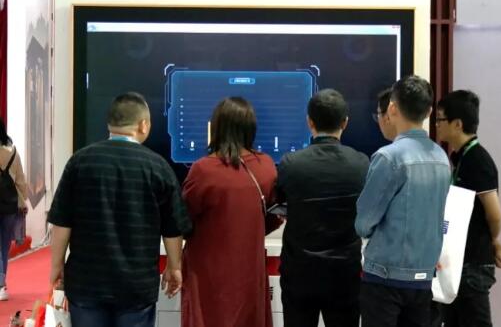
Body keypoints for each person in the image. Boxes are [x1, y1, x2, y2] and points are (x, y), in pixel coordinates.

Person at [48, 92, 190, 327]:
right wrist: (174, 267)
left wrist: (56, 265)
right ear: (143, 125)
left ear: (110, 124)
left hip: (86, 283)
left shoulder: (80, 161)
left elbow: (62, 221)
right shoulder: (158, 167)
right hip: (136, 286)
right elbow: (173, 227)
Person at [356, 75, 451, 327]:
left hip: (385, 278)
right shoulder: (442, 158)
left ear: (392, 108)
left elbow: (363, 223)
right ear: (429, 112)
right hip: (423, 279)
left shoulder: (389, 157)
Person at [181, 97, 281, 327]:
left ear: (216, 127)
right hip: (249, 270)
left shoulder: (203, 169)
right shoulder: (266, 166)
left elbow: (182, 219)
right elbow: (273, 216)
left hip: (207, 272)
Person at [277, 89, 369, 327]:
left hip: (299, 274)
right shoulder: (361, 164)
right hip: (344, 275)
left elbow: (278, 203)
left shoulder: (291, 164)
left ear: (310, 122)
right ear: (345, 122)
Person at [433, 90, 501, 327]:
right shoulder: (460, 157)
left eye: (440, 119)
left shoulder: (477, 160)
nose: (436, 124)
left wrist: (493, 240)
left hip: (473, 265)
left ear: (457, 124)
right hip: (458, 263)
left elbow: (494, 214)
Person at [0, 118, 27, 301]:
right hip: (9, 205)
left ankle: (0, 284)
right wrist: (23, 201)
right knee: (4, 245)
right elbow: (21, 182)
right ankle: (2, 285)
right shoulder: (13, 153)